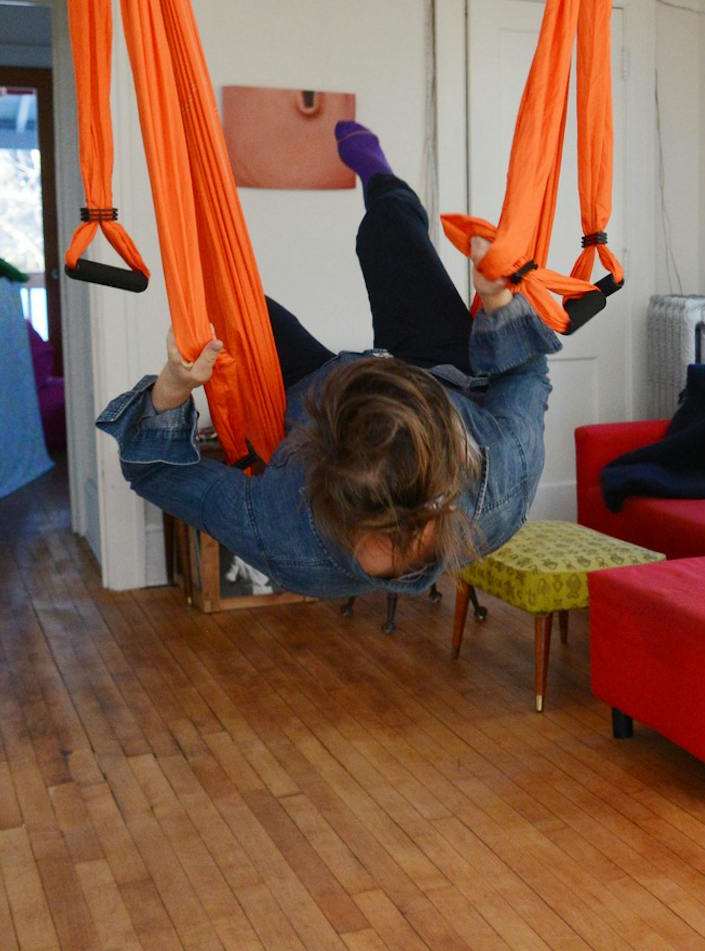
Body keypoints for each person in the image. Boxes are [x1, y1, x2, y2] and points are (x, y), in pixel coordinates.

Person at [96, 121, 560, 599]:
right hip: (438, 375)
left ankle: (203, 231)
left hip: (313, 385)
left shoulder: (281, 530)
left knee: (225, 302)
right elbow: (524, 371)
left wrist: (173, 386)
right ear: (456, 449)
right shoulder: (504, 466)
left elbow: (154, 471)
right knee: (389, 230)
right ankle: (378, 174)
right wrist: (499, 302)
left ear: (314, 466)